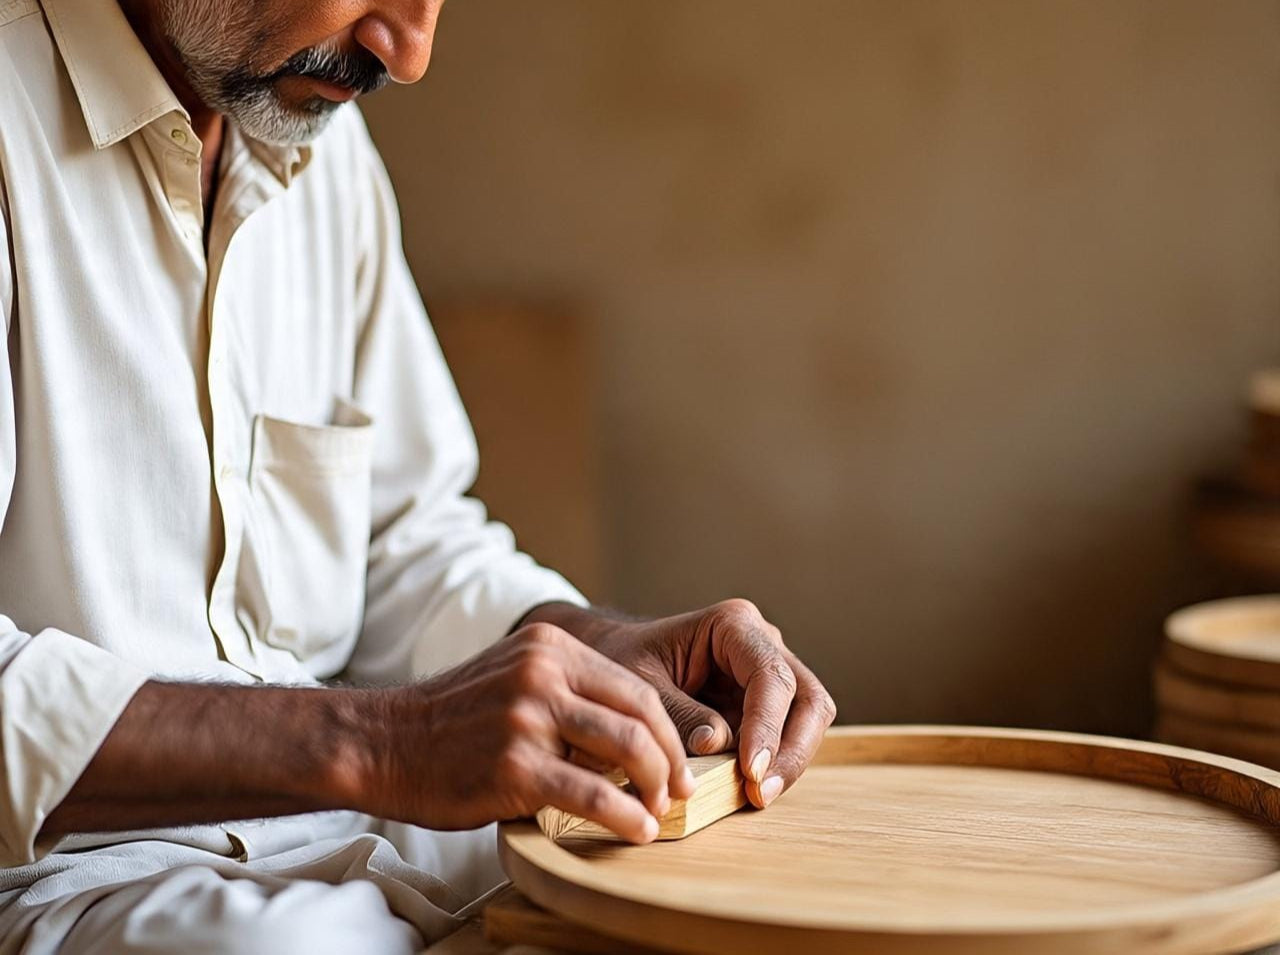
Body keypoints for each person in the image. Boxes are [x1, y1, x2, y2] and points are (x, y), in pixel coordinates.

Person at [0, 0, 837, 950]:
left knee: (701, 876)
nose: (408, 51)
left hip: (348, 834)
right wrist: (384, 745)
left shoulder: (322, 155)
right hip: (63, 874)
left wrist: (596, 651)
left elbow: (405, 541)